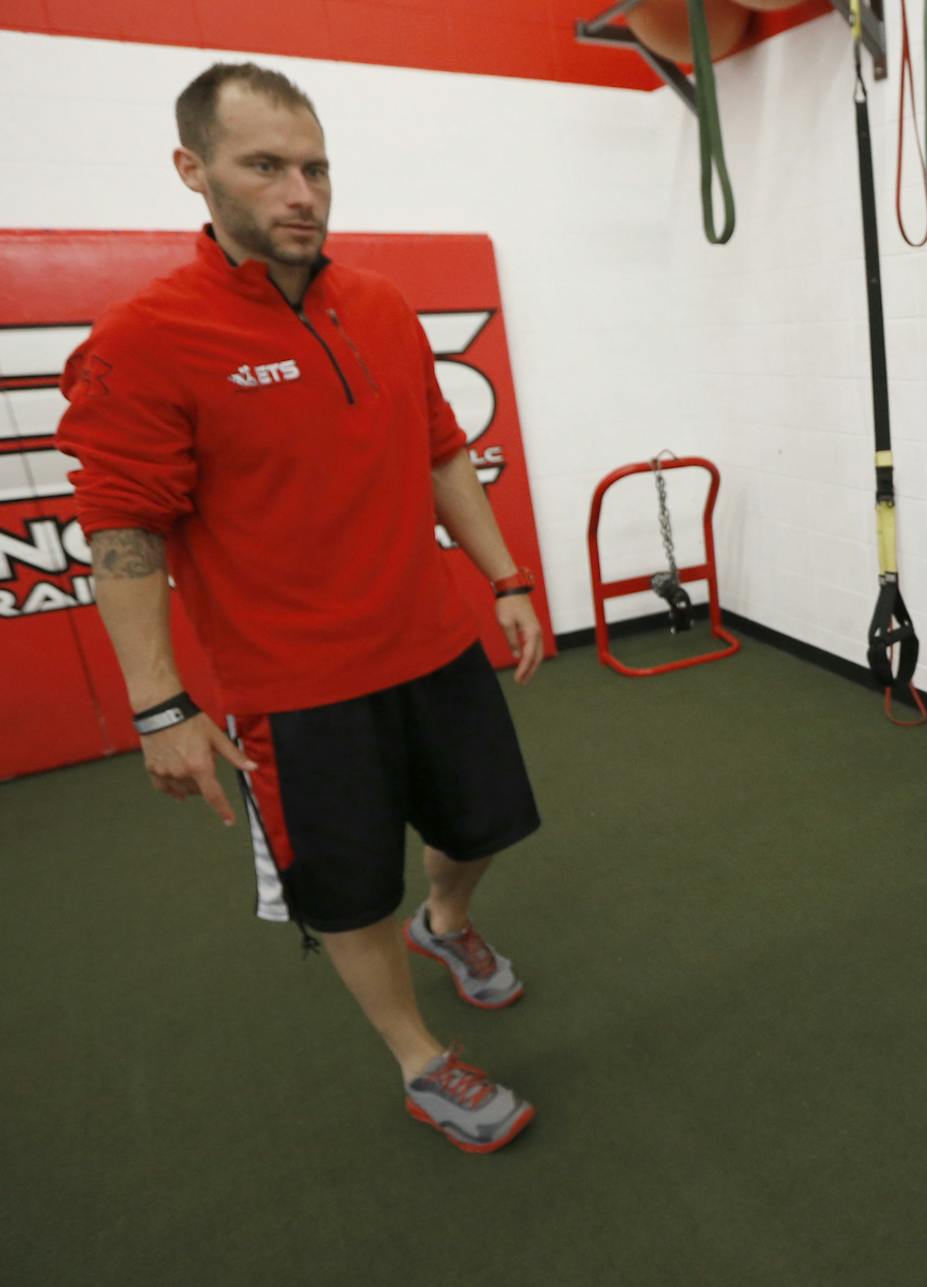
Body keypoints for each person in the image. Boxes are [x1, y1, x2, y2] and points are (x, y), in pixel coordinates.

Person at [58, 62, 548, 1154]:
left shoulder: (377, 304)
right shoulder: (148, 336)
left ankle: (447, 922)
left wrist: (507, 578)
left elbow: (441, 451)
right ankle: (420, 1059)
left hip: (434, 643)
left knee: (484, 826)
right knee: (349, 890)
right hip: (296, 691)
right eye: (266, 166)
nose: (302, 193)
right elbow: (123, 528)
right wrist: (159, 705)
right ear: (193, 171)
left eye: (316, 168)